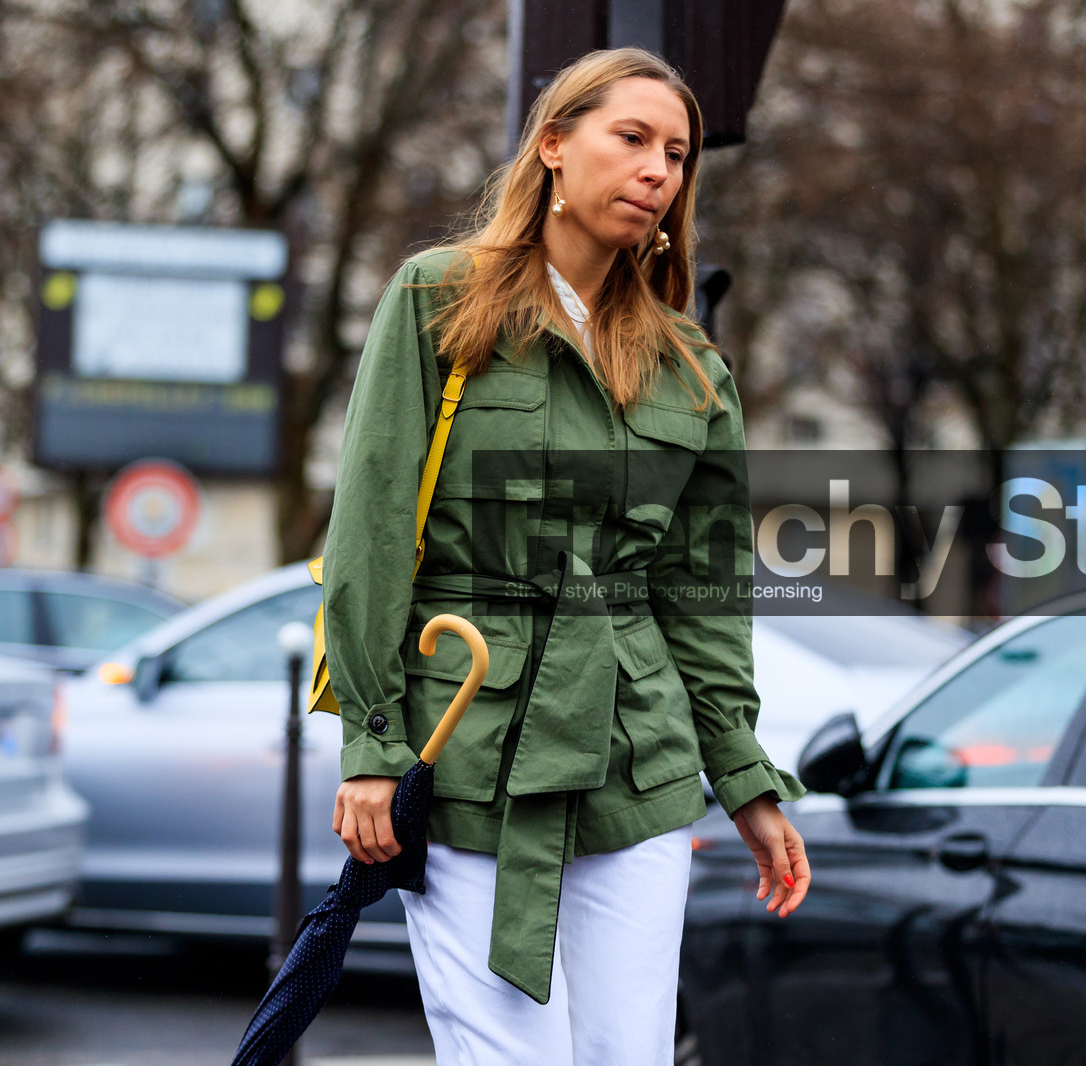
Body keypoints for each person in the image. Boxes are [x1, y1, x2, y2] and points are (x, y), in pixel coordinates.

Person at [319, 46, 811, 1065]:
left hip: (637, 759)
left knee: (628, 1054)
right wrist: (372, 746)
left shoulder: (690, 365)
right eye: (631, 138)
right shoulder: (437, 299)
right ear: (552, 143)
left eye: (676, 154)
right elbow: (368, 533)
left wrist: (745, 780)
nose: (657, 171)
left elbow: (702, 597)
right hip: (465, 746)